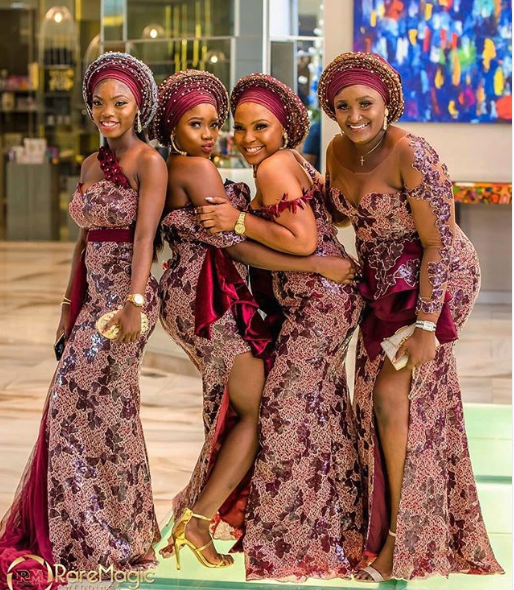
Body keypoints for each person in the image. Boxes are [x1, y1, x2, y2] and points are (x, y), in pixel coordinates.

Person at [150, 70, 358, 571]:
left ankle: (240, 522)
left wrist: (305, 253)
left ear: (284, 128)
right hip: (208, 298)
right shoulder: (202, 168)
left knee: (266, 409)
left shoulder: (265, 166)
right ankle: (213, 520)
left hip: (221, 296)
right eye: (234, 127)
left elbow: (292, 235)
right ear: (172, 126)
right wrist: (318, 262)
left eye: (216, 124)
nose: (230, 137)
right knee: (264, 410)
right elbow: (239, 245)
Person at [317, 51, 504, 582]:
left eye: (366, 104)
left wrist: (426, 326)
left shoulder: (412, 153)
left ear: (387, 104)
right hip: (381, 283)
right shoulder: (336, 150)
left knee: (391, 397)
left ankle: (405, 538)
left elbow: (438, 243)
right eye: (343, 106)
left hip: (435, 277)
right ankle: (385, 527)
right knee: (371, 401)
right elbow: (339, 215)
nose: (355, 116)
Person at [0, 52, 167, 572]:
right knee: (91, 411)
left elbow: (145, 238)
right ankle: (94, 531)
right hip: (91, 301)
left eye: (119, 102)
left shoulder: (149, 162)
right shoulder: (90, 165)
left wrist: (134, 303)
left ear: (138, 106)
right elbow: (81, 243)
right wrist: (67, 309)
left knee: (91, 407)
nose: (107, 112)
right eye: (98, 103)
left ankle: (105, 537)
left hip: (128, 300)